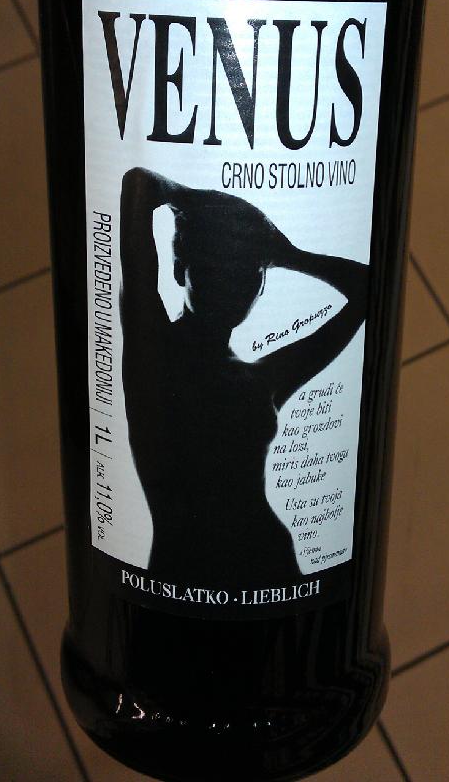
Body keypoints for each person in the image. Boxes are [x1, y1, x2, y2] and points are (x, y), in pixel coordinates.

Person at [120, 168, 368, 585]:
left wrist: (284, 252)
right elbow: (139, 184)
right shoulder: (153, 348)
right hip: (186, 571)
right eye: (216, 263)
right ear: (181, 269)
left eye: (247, 272)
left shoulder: (261, 378)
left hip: (276, 570)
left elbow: (367, 288)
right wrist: (204, 205)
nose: (230, 284)